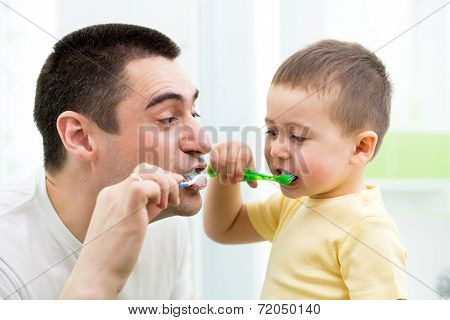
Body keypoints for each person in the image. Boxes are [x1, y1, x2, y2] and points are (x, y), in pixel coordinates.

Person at [0, 23, 211, 299]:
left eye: (194, 113)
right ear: (80, 137)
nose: (203, 141)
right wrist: (97, 277)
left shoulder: (166, 226)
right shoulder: (7, 262)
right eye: (168, 119)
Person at [204, 40, 407, 299]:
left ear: (360, 148)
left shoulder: (367, 228)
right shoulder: (292, 205)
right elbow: (224, 228)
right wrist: (226, 177)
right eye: (272, 131)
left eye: (298, 136)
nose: (276, 149)